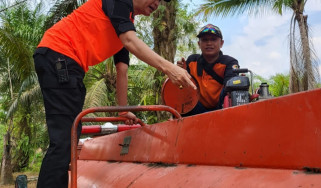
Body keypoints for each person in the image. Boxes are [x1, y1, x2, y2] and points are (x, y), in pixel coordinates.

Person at [33, 0, 196, 187]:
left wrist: (123, 110)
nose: (157, 4)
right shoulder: (119, 2)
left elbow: (122, 70)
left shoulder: (125, 23)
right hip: (60, 56)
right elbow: (129, 40)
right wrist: (168, 68)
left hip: (64, 62)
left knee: (69, 137)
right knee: (64, 141)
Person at [177, 24, 239, 116]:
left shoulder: (230, 62)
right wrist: (180, 71)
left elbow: (230, 90)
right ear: (199, 44)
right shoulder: (192, 61)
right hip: (197, 109)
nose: (209, 43)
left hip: (222, 109)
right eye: (205, 40)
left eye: (213, 39)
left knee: (230, 86)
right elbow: (183, 88)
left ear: (221, 43)